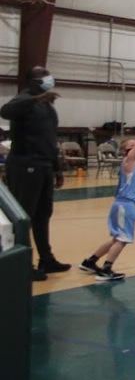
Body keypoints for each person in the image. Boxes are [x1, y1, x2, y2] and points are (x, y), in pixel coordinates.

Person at [0, 66, 71, 281]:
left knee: (43, 215)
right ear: (32, 80)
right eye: (43, 75)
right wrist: (36, 99)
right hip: (25, 165)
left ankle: (46, 259)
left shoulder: (47, 105)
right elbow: (5, 111)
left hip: (44, 165)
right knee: (25, 216)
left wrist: (57, 168)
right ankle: (23, 263)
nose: (48, 77)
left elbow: (50, 139)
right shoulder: (25, 98)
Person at [79, 112, 135, 281]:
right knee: (122, 240)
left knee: (116, 239)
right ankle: (106, 270)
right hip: (124, 206)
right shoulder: (130, 160)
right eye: (132, 146)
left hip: (126, 204)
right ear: (126, 151)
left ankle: (90, 262)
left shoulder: (133, 164)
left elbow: (125, 188)